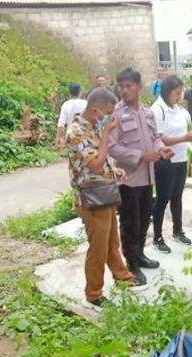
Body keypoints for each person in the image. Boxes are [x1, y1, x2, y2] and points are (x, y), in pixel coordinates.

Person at [66, 87, 146, 311]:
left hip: (105, 191)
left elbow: (102, 162)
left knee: (112, 241)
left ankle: (122, 276)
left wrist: (114, 170)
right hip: (91, 198)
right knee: (98, 248)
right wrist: (107, 135)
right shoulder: (76, 132)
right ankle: (93, 294)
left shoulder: (93, 127)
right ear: (95, 110)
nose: (112, 118)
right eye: (109, 113)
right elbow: (94, 164)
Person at [109, 68, 174, 283]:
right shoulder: (116, 115)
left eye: (129, 86)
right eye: (122, 86)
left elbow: (155, 138)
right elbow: (111, 147)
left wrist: (161, 148)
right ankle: (131, 264)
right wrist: (141, 156)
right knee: (130, 222)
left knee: (145, 217)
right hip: (128, 179)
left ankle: (140, 254)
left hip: (148, 177)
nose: (124, 90)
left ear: (139, 87)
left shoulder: (147, 113)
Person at [150, 75, 192, 254]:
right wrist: (183, 138)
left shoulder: (177, 109)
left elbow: (182, 131)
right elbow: (159, 138)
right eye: (176, 93)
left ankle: (178, 231)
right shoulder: (157, 110)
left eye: (180, 93)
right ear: (167, 92)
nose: (179, 96)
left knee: (177, 197)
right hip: (165, 160)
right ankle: (157, 237)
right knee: (163, 199)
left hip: (180, 159)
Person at [55, 83, 88, 148]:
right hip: (85, 134)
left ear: (70, 93)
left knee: (72, 154)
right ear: (80, 92)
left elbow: (61, 123)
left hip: (71, 135)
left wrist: (58, 137)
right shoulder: (86, 103)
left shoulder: (66, 104)